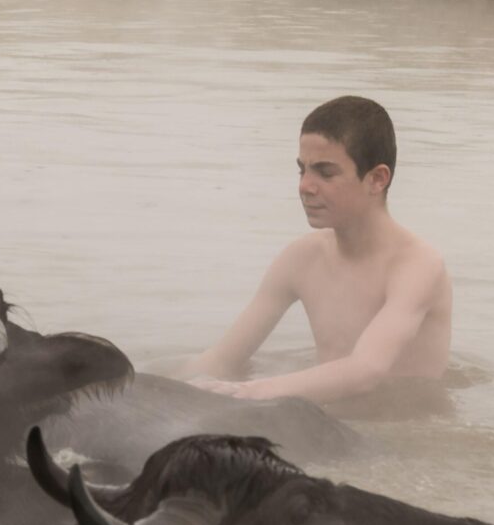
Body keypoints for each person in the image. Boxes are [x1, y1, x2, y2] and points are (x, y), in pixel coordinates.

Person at [187, 96, 451, 406]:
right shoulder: (301, 258)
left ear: (377, 179)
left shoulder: (418, 266)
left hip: (406, 439)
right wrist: (143, 384)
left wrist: (251, 392)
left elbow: (365, 370)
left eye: (325, 173)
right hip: (330, 423)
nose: (305, 186)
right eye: (302, 170)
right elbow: (223, 360)